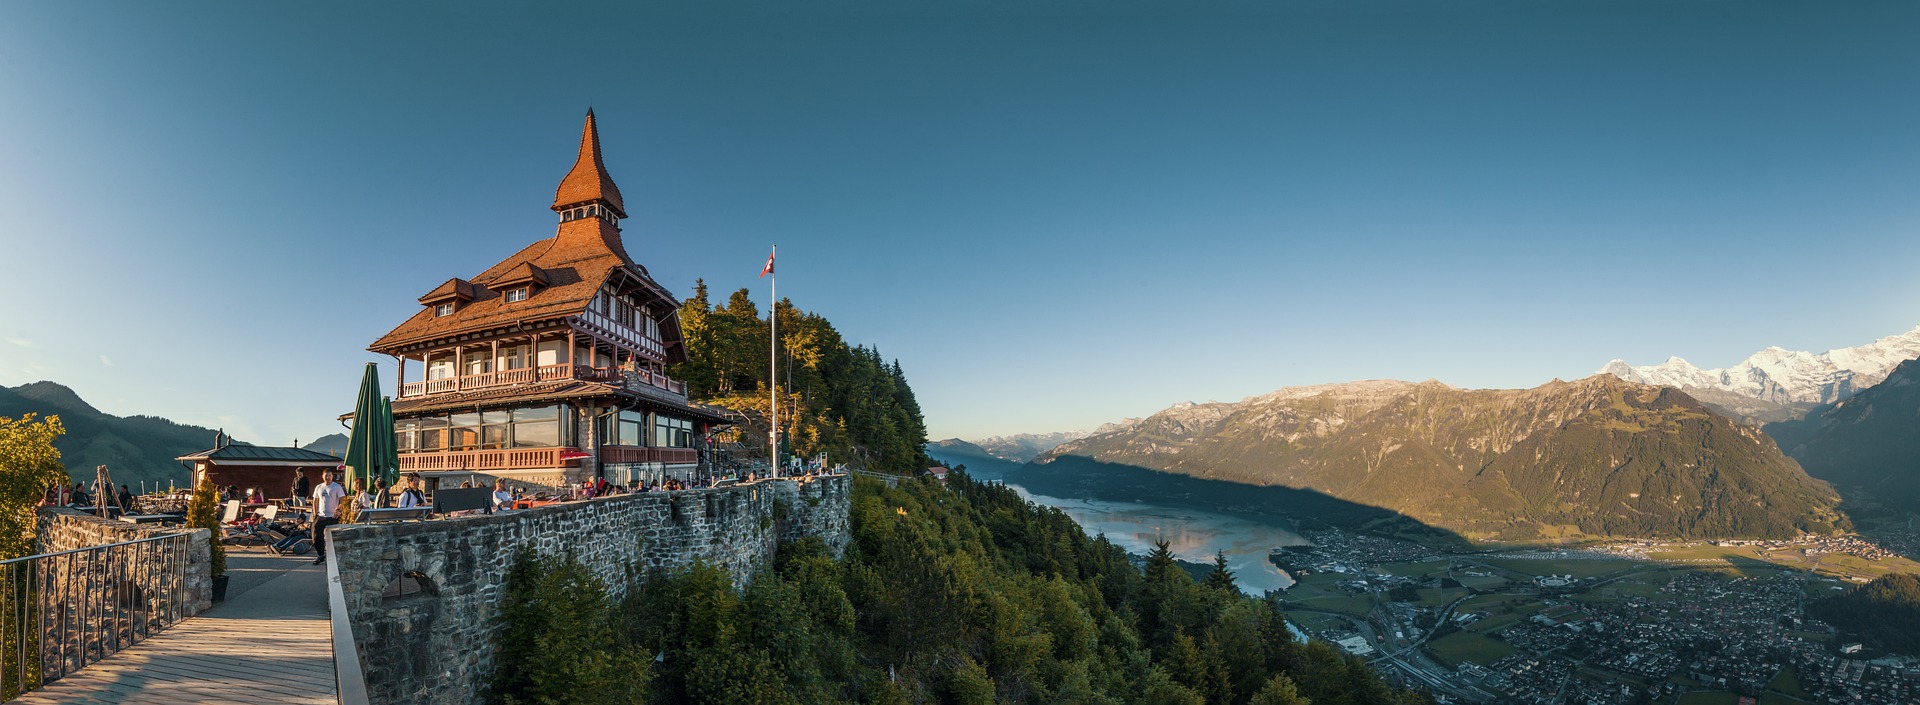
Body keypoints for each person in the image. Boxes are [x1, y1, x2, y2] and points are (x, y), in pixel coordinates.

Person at [310, 469, 345, 565]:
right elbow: (315, 501)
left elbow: (343, 500)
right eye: (326, 475)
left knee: (333, 538)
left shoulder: (337, 487)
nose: (327, 477)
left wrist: (339, 511)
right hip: (321, 515)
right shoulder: (319, 487)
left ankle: (333, 557)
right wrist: (314, 512)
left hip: (332, 516)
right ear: (322, 476)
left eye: (329, 475)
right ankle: (321, 555)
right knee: (315, 535)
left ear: (332, 476)